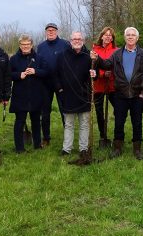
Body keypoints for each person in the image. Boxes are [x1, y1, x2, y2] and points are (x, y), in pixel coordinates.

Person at [91, 27, 143, 160]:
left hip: (137, 95)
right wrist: (97, 58)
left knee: (137, 122)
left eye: (133, 35)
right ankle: (117, 147)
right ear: (125, 38)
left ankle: (137, 149)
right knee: (119, 122)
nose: (130, 37)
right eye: (128, 35)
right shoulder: (118, 54)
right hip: (121, 94)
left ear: (137, 38)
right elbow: (106, 64)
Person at [56, 31, 92, 165]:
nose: (77, 41)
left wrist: (94, 74)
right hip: (68, 95)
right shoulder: (61, 56)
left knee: (84, 124)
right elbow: (55, 74)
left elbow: (93, 76)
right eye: (74, 39)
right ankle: (67, 149)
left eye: (79, 38)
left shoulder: (88, 57)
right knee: (69, 124)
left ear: (83, 40)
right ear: (70, 41)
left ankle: (83, 149)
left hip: (84, 96)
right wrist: (59, 89)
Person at [10, 34, 49, 153]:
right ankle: (19, 148)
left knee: (36, 120)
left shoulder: (39, 58)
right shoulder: (14, 59)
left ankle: (37, 144)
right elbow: (8, 74)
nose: (25, 46)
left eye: (28, 44)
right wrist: (18, 75)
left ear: (32, 45)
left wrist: (35, 71)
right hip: (20, 95)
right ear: (20, 45)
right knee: (19, 121)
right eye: (23, 44)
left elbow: (47, 72)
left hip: (36, 94)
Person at [37, 23, 70, 146]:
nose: (50, 32)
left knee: (64, 110)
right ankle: (46, 137)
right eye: (48, 30)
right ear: (45, 32)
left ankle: (68, 137)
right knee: (45, 111)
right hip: (45, 83)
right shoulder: (40, 47)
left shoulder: (65, 44)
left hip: (61, 83)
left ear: (57, 31)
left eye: (53, 30)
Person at [92, 27, 118, 148]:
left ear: (112, 38)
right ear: (101, 36)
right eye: (105, 35)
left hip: (112, 85)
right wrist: (102, 74)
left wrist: (110, 74)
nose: (108, 37)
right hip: (99, 86)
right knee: (99, 112)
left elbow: (117, 68)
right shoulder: (94, 50)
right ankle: (103, 135)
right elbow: (92, 67)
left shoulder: (116, 51)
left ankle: (118, 135)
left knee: (119, 110)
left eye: (110, 35)